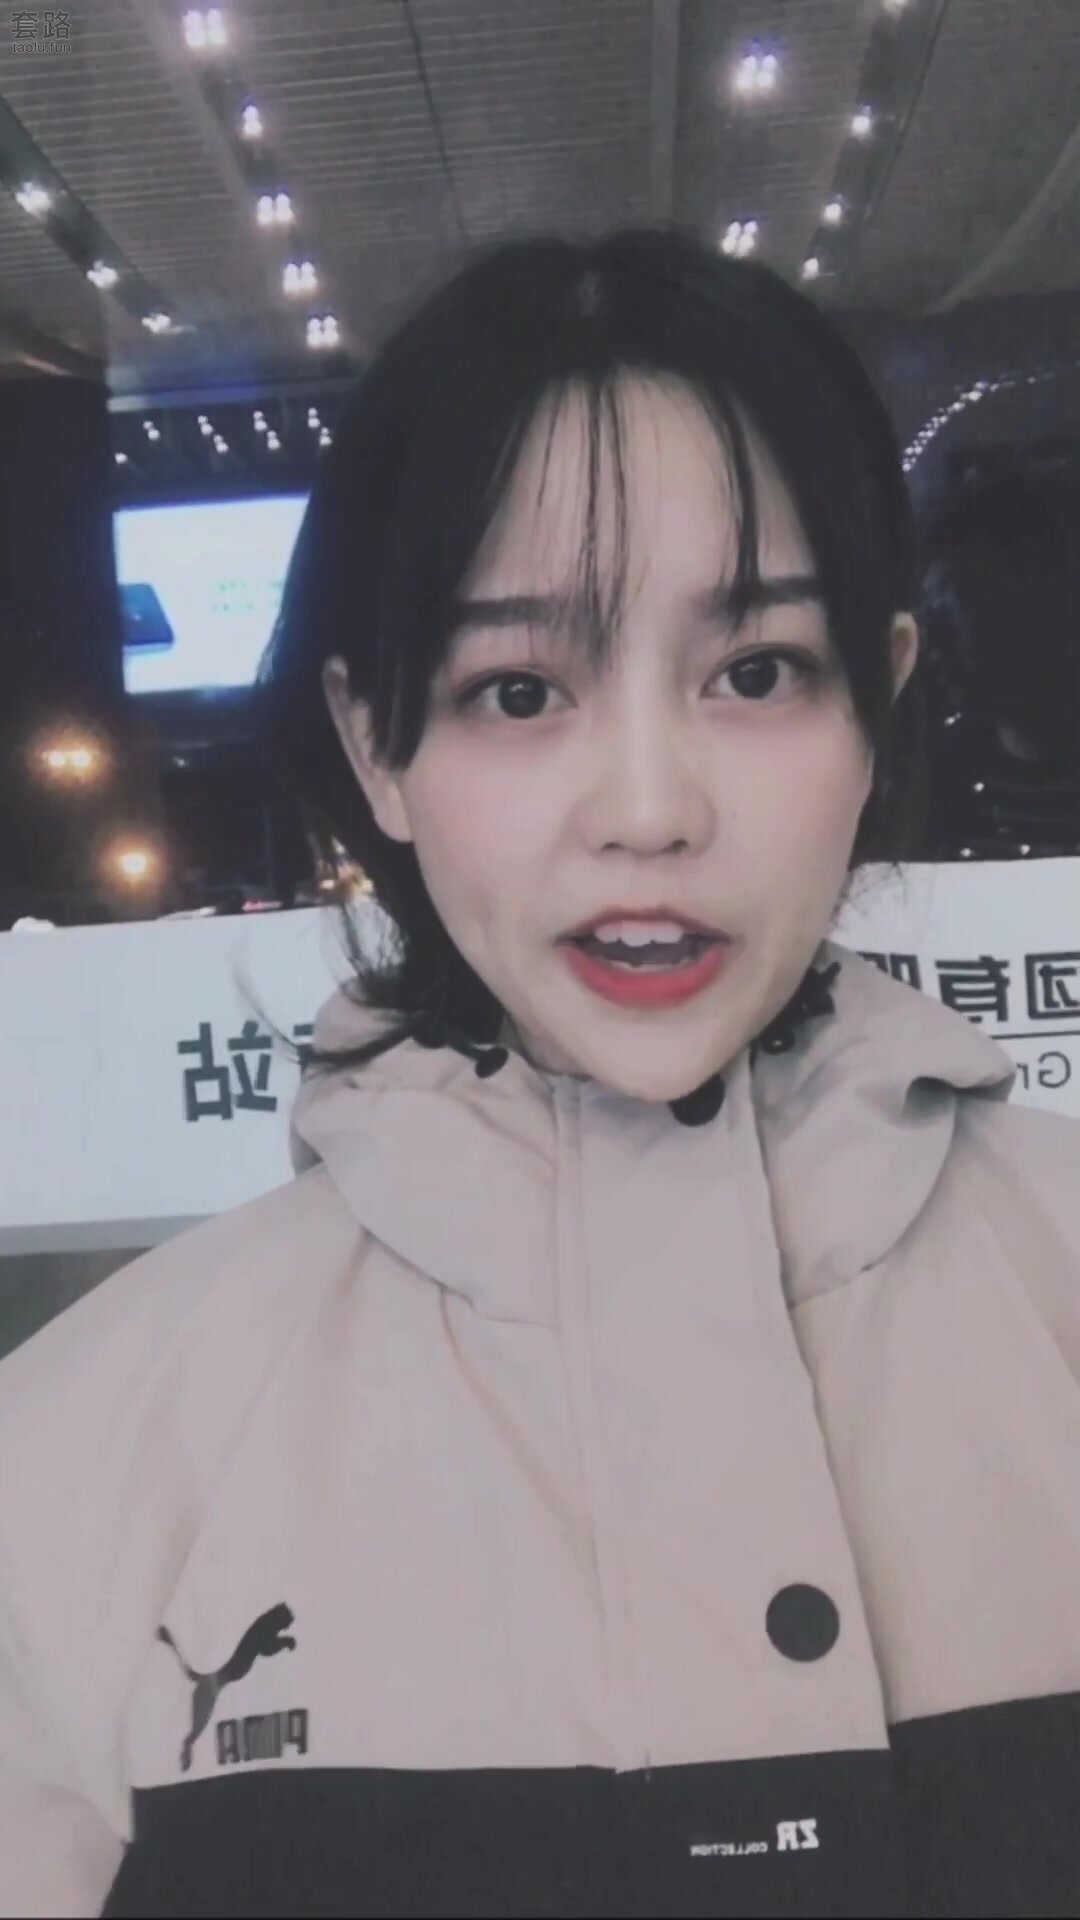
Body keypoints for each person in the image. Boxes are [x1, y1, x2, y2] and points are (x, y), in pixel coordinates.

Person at [1, 227, 1079, 1919]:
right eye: (518, 689)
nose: (647, 809)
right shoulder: (70, 1465)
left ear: (878, 704)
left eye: (756, 673)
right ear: (376, 744)